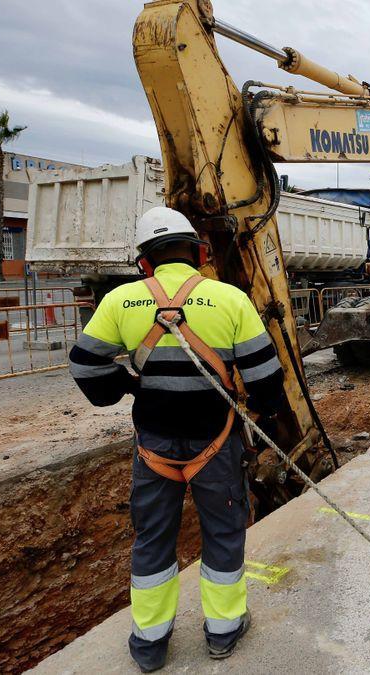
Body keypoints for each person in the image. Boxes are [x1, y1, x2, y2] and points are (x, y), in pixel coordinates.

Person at [68, 206, 286, 671]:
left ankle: (150, 645)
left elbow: (86, 365)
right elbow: (267, 377)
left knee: (152, 540)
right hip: (217, 441)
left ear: (144, 261)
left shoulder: (119, 301)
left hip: (154, 447)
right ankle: (223, 632)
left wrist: (126, 386)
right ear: (198, 253)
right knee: (224, 535)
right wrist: (262, 414)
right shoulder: (230, 299)